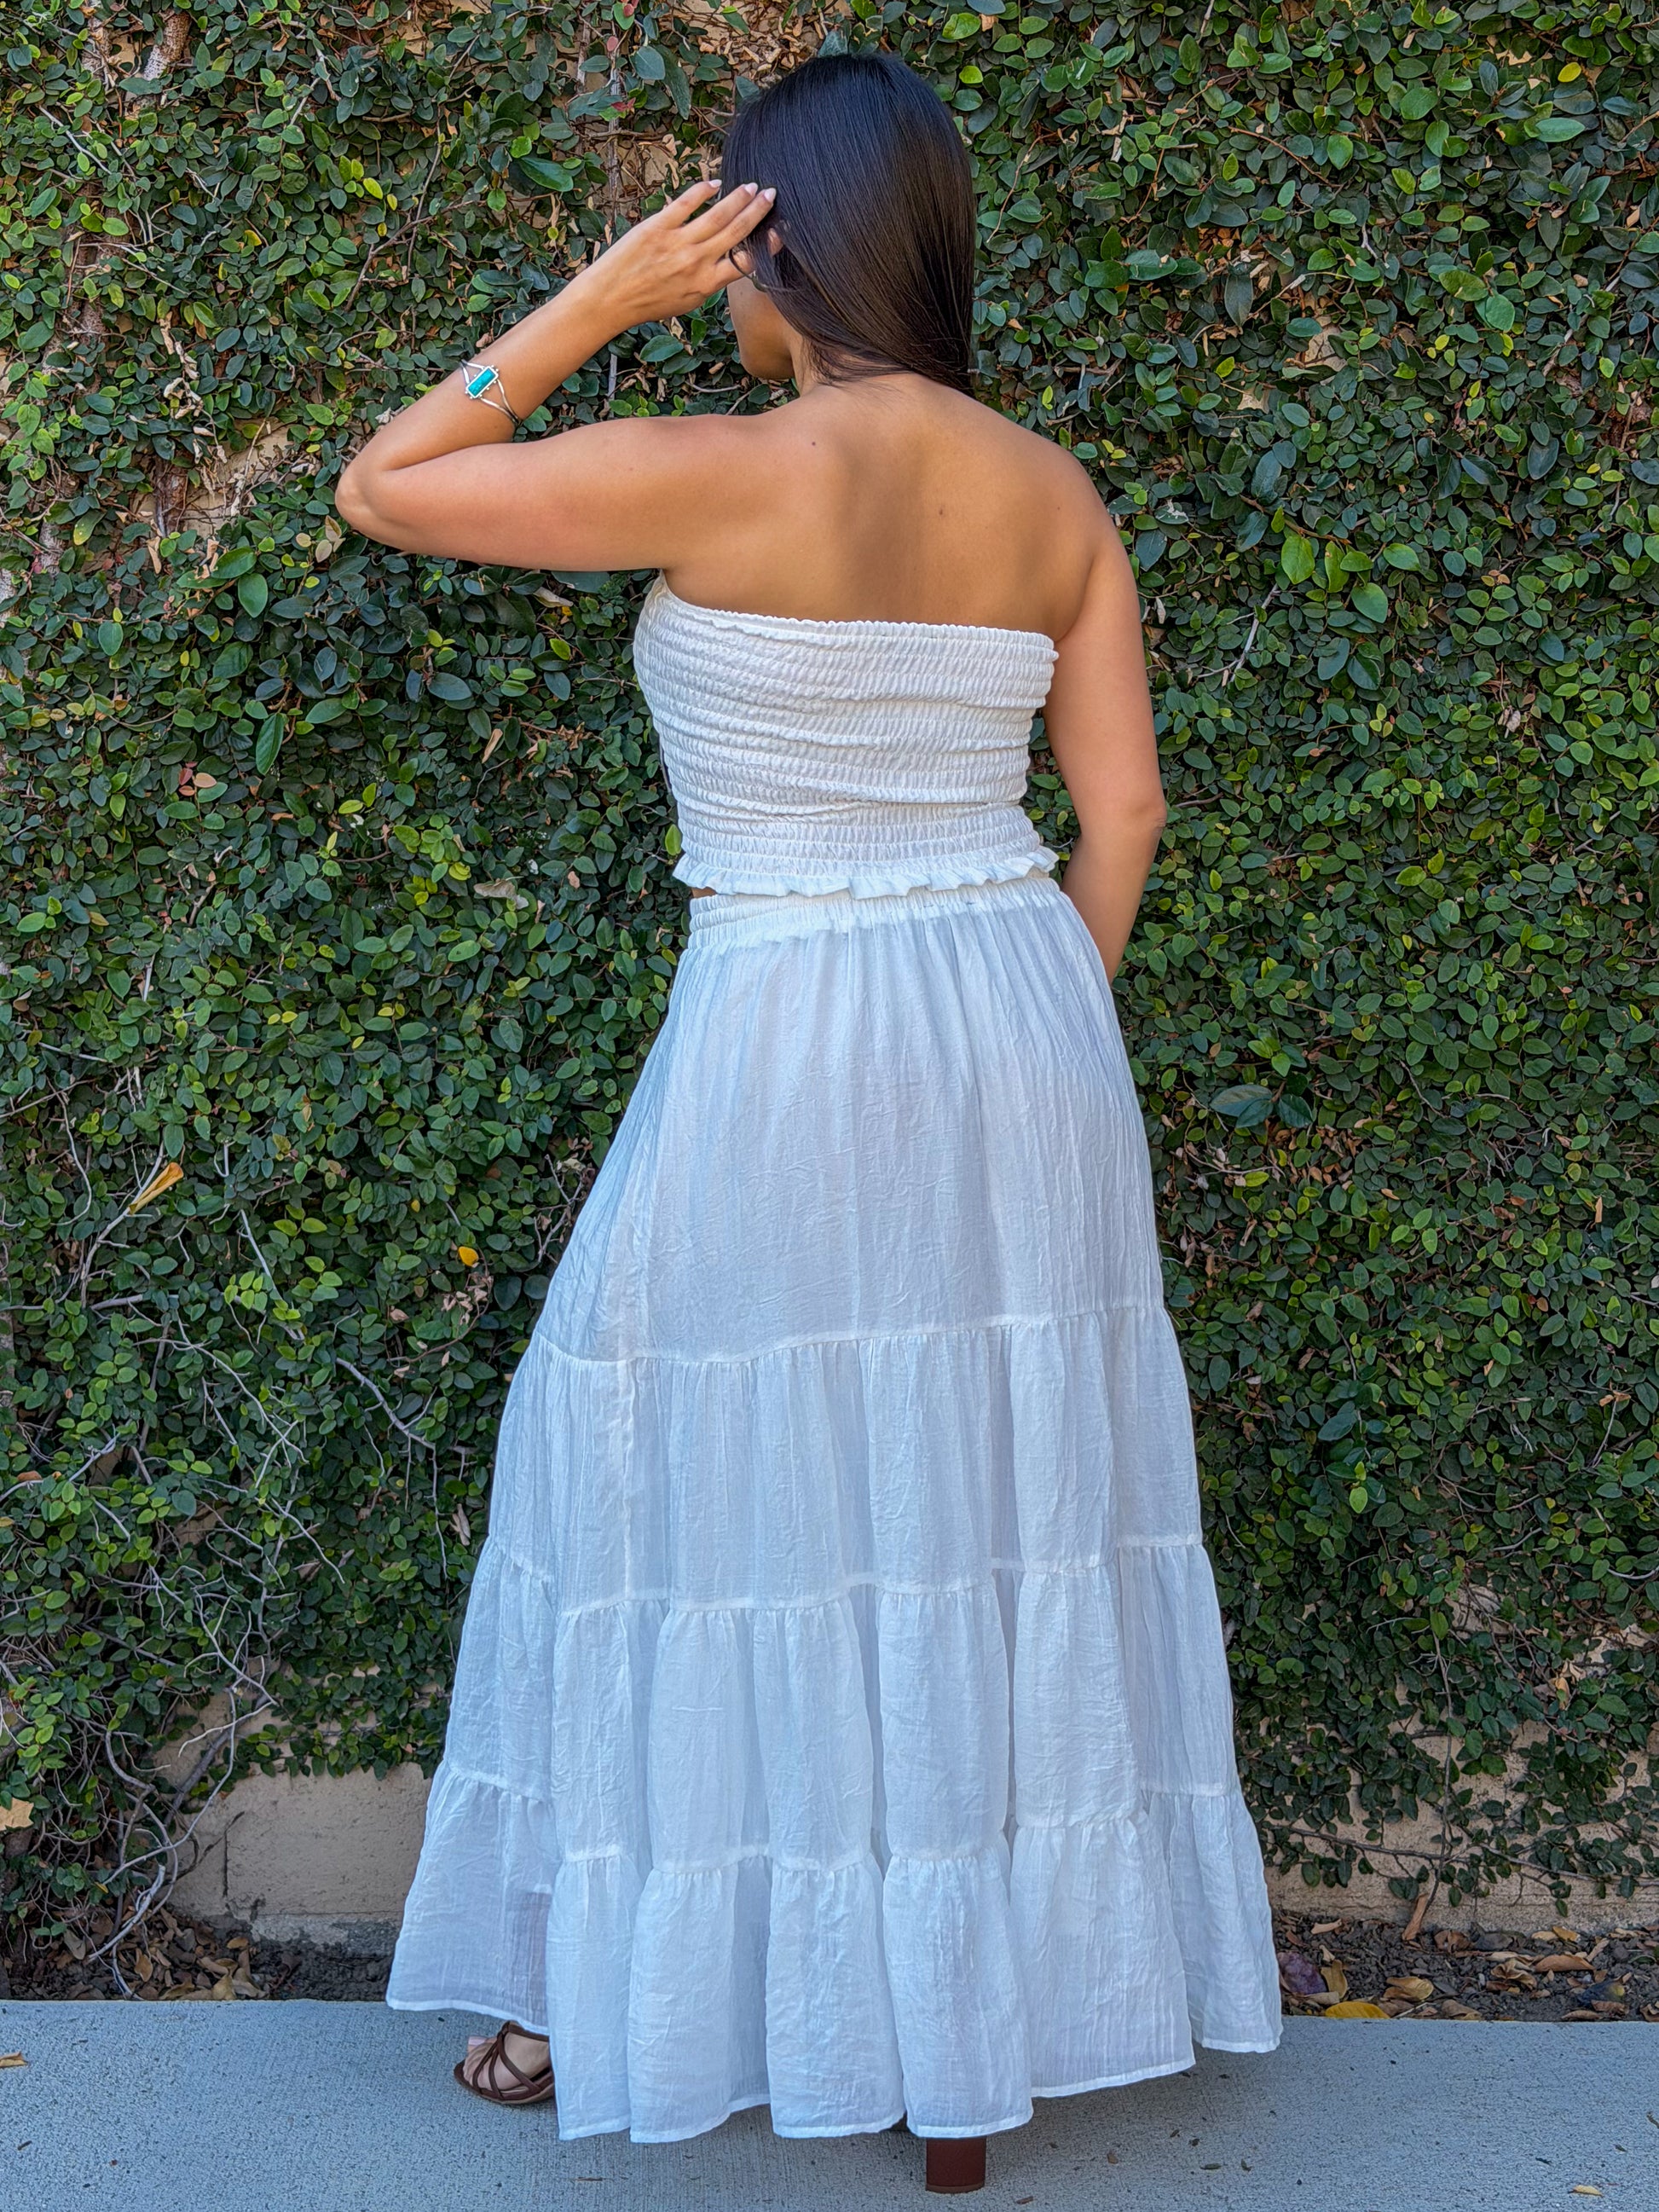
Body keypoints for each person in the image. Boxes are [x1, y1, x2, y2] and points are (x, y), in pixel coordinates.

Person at [337, 48, 1280, 2198]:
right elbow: (1123, 812)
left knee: (675, 1477)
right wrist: (1025, 1024)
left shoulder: (719, 469)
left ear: (765, 245)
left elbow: (392, 483)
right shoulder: (1054, 493)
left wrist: (596, 304)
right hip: (1019, 1018)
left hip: (787, 1021)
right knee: (986, 1498)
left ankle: (604, 1992)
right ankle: (963, 2061)